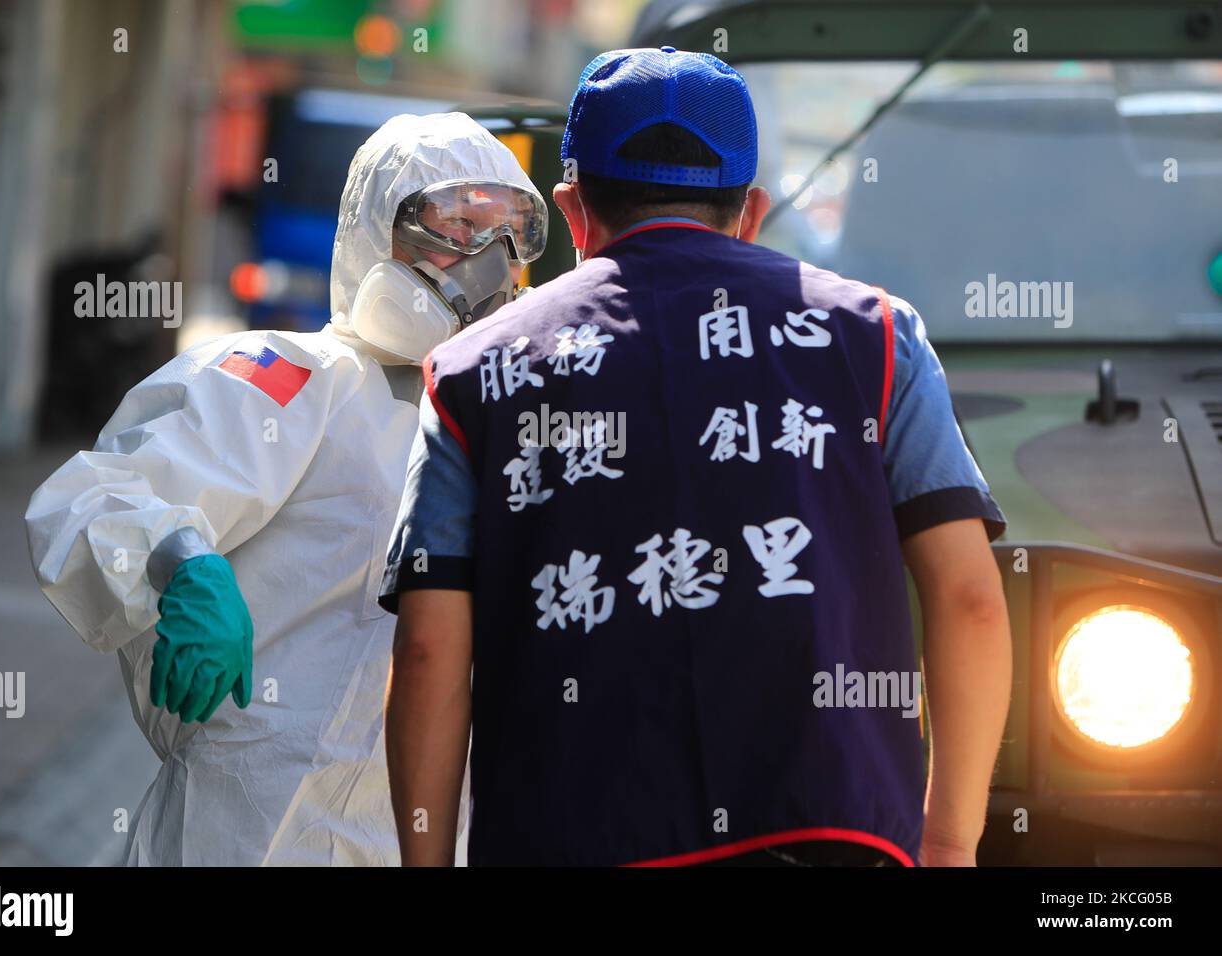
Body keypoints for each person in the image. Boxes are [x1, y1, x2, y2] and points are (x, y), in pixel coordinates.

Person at [379, 49, 1012, 867]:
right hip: (833, 835)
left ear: (573, 211)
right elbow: (970, 601)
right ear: (750, 210)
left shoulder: (472, 372)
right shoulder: (878, 335)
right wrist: (950, 840)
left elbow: (429, 646)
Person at [25, 112, 547, 866]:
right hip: (248, 825)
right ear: (380, 227)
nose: (489, 261)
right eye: (460, 225)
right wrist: (183, 562)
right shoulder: (292, 380)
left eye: (509, 234)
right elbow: (92, 496)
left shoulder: (507, 415)